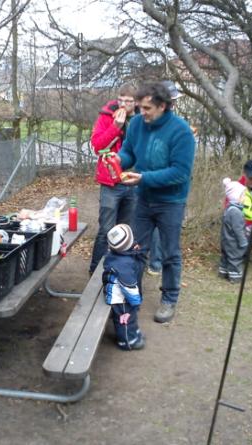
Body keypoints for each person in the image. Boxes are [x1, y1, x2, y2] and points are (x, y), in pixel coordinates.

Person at [118, 82, 196, 323]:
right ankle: (133, 295)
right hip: (144, 199)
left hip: (171, 202)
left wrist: (144, 178)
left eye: (148, 108)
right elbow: (130, 153)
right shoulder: (138, 124)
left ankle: (169, 299)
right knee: (136, 250)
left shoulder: (181, 131)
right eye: (141, 108)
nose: (142, 112)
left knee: (170, 253)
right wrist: (116, 160)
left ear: (163, 106)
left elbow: (180, 172)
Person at [88, 83, 138, 275]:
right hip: (111, 182)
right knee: (106, 229)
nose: (124, 105)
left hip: (134, 181)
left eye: (129, 101)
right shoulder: (107, 115)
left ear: (136, 102)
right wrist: (116, 126)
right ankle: (95, 271)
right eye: (121, 100)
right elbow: (97, 147)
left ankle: (118, 270)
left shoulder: (142, 119)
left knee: (125, 230)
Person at [146, 80, 185, 277]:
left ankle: (158, 264)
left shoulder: (177, 127)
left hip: (172, 196)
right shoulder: (149, 124)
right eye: (172, 101)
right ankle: (153, 262)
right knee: (151, 228)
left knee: (171, 247)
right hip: (150, 190)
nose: (174, 105)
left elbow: (180, 170)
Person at [102, 224, 145, 350]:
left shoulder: (119, 254)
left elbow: (129, 248)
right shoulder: (123, 264)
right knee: (125, 318)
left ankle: (134, 332)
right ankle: (127, 340)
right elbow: (128, 286)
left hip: (121, 293)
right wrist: (136, 301)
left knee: (131, 315)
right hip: (119, 297)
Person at [219, 178, 248, 283]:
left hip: (226, 239)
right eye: (243, 195)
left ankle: (223, 272)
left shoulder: (229, 209)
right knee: (235, 258)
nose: (245, 198)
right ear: (236, 197)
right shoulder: (236, 212)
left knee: (226, 256)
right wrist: (243, 242)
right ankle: (235, 277)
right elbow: (238, 229)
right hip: (233, 241)